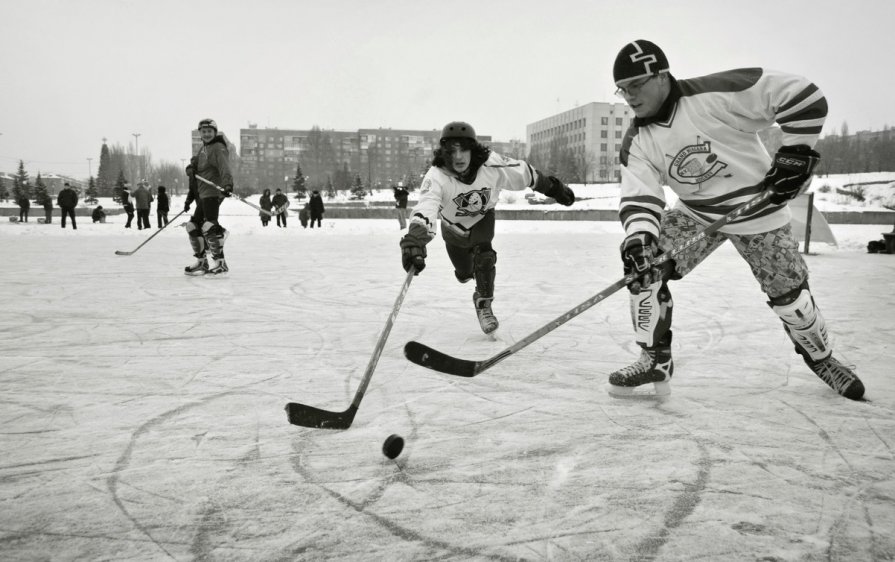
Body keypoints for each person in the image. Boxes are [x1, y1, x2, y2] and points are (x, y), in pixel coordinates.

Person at [606, 39, 863, 400]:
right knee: (643, 268)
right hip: (698, 213)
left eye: (637, 85)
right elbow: (640, 195)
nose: (630, 96)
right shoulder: (638, 139)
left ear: (662, 76)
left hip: (758, 210)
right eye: (623, 89)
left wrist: (796, 151)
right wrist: (639, 237)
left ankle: (822, 359)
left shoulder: (715, 94)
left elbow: (804, 96)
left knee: (791, 298)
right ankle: (654, 358)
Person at [399, 121, 575, 334]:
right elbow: (426, 206)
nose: (459, 157)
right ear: (444, 152)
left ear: (473, 149)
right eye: (452, 151)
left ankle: (484, 305)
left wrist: (555, 188)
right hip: (453, 228)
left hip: (483, 218)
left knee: (485, 256)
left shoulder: (491, 164)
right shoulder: (436, 176)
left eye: (464, 149)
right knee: (464, 274)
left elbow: (525, 174)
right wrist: (415, 240)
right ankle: (466, 273)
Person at [185, 118, 234, 276]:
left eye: (209, 131)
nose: (206, 134)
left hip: (213, 192)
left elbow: (224, 166)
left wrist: (228, 185)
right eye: (203, 132)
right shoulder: (203, 149)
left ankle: (221, 264)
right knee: (192, 226)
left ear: (215, 132)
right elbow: (196, 166)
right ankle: (202, 263)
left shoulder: (218, 147)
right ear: (200, 133)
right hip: (203, 193)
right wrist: (191, 168)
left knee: (209, 227)